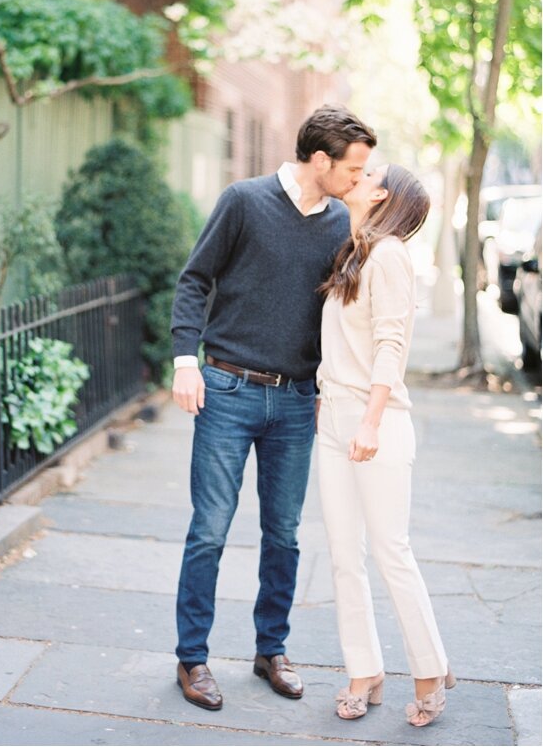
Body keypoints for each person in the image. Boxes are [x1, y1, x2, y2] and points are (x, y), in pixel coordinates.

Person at [169, 104, 377, 711]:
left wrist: (328, 390)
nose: (358, 180)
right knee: (209, 530)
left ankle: (270, 649)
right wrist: (186, 360)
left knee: (283, 534)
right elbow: (194, 279)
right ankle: (192, 659)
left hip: (295, 402)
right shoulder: (243, 201)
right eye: (353, 169)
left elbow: (345, 311)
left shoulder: (341, 219)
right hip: (227, 389)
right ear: (320, 159)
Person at [315, 164, 454, 727]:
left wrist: (368, 422)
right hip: (334, 420)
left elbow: (391, 345)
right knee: (345, 556)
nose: (359, 173)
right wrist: (331, 408)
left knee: (391, 551)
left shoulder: (391, 254)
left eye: (371, 172)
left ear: (384, 197)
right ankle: (363, 670)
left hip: (378, 422)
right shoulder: (353, 252)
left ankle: (428, 672)